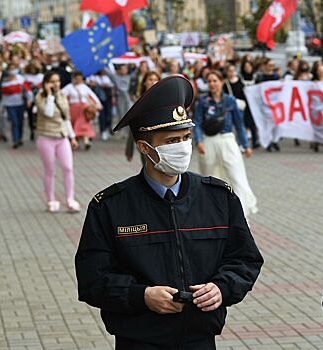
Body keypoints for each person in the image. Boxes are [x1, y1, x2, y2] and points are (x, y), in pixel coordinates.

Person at [75, 75, 263, 349]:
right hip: (139, 339)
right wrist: (141, 296)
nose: (183, 146)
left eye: (186, 136)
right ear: (144, 148)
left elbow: (245, 260)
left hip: (200, 338)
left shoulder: (219, 198)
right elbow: (92, 279)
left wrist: (222, 288)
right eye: (172, 140)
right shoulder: (110, 206)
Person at [194, 70, 259, 217]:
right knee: (209, 177)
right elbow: (197, 122)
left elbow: (239, 124)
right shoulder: (203, 101)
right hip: (209, 140)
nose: (212, 84)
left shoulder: (230, 101)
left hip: (227, 140)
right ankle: (213, 211)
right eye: (209, 81)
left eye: (215, 80)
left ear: (221, 82)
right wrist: (199, 141)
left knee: (236, 175)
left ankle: (241, 211)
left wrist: (245, 145)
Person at [35, 71, 80, 213]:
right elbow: (47, 112)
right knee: (50, 170)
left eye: (58, 81)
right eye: (52, 81)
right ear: (46, 83)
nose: (56, 84)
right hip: (46, 137)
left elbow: (66, 118)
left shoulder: (62, 96)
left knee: (68, 168)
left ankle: (70, 199)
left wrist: (72, 137)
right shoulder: (40, 97)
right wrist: (48, 94)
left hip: (62, 137)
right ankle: (51, 200)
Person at [125, 71, 161, 163]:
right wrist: (129, 149)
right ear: (144, 82)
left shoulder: (164, 100)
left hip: (161, 140)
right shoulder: (140, 102)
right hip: (146, 140)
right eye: (150, 79)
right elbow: (133, 125)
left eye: (156, 80)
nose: (153, 82)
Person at [62, 71, 102, 150]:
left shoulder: (84, 87)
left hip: (84, 109)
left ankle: (86, 140)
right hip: (73, 108)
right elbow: (61, 95)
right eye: (76, 79)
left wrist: (98, 104)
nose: (78, 81)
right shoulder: (69, 87)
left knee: (83, 124)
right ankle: (75, 141)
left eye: (80, 79)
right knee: (74, 125)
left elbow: (92, 95)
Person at [1, 63, 33, 148]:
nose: (12, 71)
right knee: (14, 122)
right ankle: (15, 140)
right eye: (10, 69)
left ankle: (20, 138)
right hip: (10, 105)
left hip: (20, 104)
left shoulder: (21, 79)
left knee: (20, 122)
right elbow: (3, 95)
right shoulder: (5, 81)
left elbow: (27, 90)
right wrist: (2, 106)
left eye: (14, 68)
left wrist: (30, 99)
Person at [23, 62, 44, 141]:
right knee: (30, 116)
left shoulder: (41, 77)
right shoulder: (26, 77)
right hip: (30, 99)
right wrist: (29, 98)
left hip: (39, 98)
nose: (33, 70)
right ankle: (32, 130)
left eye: (34, 69)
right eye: (31, 69)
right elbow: (26, 89)